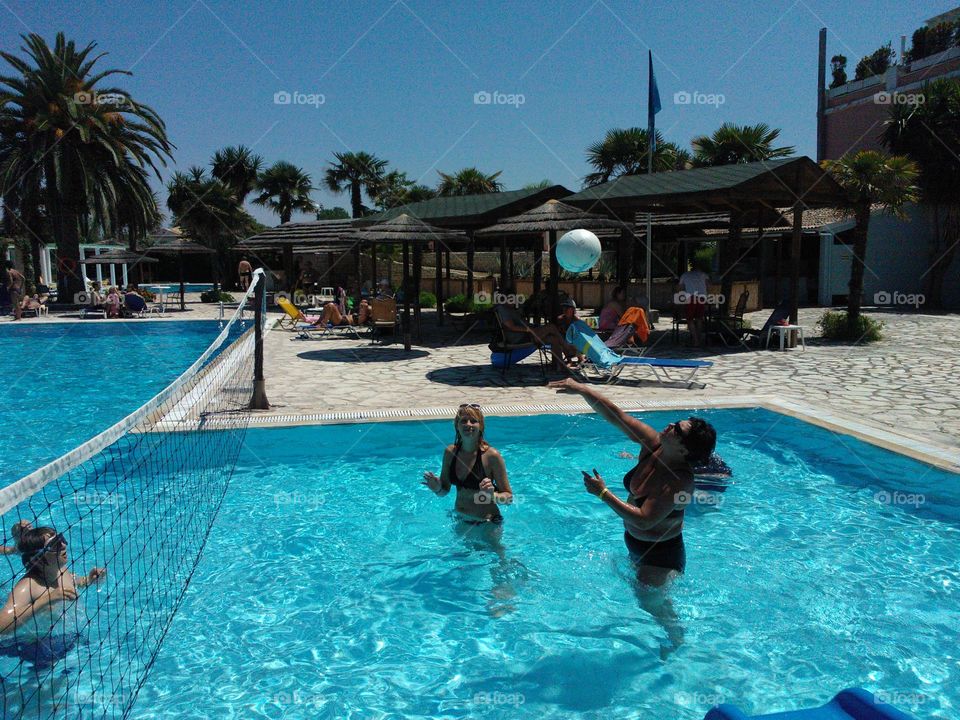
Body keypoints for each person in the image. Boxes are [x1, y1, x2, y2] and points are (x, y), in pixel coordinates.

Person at [0, 527, 106, 636]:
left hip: (68, 635)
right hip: (34, 643)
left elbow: (74, 582)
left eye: (61, 539)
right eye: (56, 544)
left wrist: (88, 580)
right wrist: (46, 600)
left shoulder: (61, 570)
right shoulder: (27, 587)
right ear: (37, 559)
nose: (64, 545)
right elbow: (1, 626)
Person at [423, 404, 512, 524]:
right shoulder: (450, 453)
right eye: (464, 421)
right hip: (461, 518)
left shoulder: (491, 456)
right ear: (457, 425)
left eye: (473, 421)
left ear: (480, 426)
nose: (468, 424)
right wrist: (437, 488)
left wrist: (492, 495)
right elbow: (444, 491)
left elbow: (509, 498)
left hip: (487, 522)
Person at [493, 295, 581, 370]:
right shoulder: (503, 309)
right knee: (551, 327)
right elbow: (510, 326)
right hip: (522, 337)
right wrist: (528, 329)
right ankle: (567, 349)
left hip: (527, 334)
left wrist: (532, 326)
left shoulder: (510, 310)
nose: (515, 301)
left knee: (554, 339)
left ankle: (559, 365)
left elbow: (522, 324)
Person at [677, 262, 710, 348]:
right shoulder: (704, 275)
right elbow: (708, 286)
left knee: (690, 319)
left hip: (690, 297)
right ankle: (698, 340)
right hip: (702, 297)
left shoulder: (685, 275)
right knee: (699, 319)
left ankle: (695, 341)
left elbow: (680, 288)